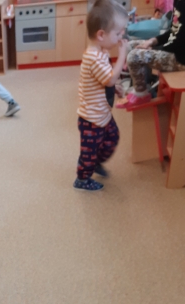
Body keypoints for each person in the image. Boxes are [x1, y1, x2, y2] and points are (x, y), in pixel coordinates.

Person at [74, 0, 128, 191]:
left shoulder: (102, 52)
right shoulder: (93, 57)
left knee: (113, 137)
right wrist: (122, 55)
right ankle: (82, 179)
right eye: (118, 34)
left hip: (102, 113)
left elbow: (106, 80)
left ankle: (95, 161)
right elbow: (109, 79)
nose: (121, 38)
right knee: (88, 152)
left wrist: (115, 88)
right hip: (91, 119)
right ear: (101, 35)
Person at [120, 0, 185, 108]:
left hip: (181, 59)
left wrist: (156, 48)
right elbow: (173, 31)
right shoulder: (179, 2)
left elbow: (183, 40)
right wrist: (153, 41)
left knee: (134, 56)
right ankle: (145, 86)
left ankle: (141, 94)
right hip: (174, 49)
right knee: (131, 45)